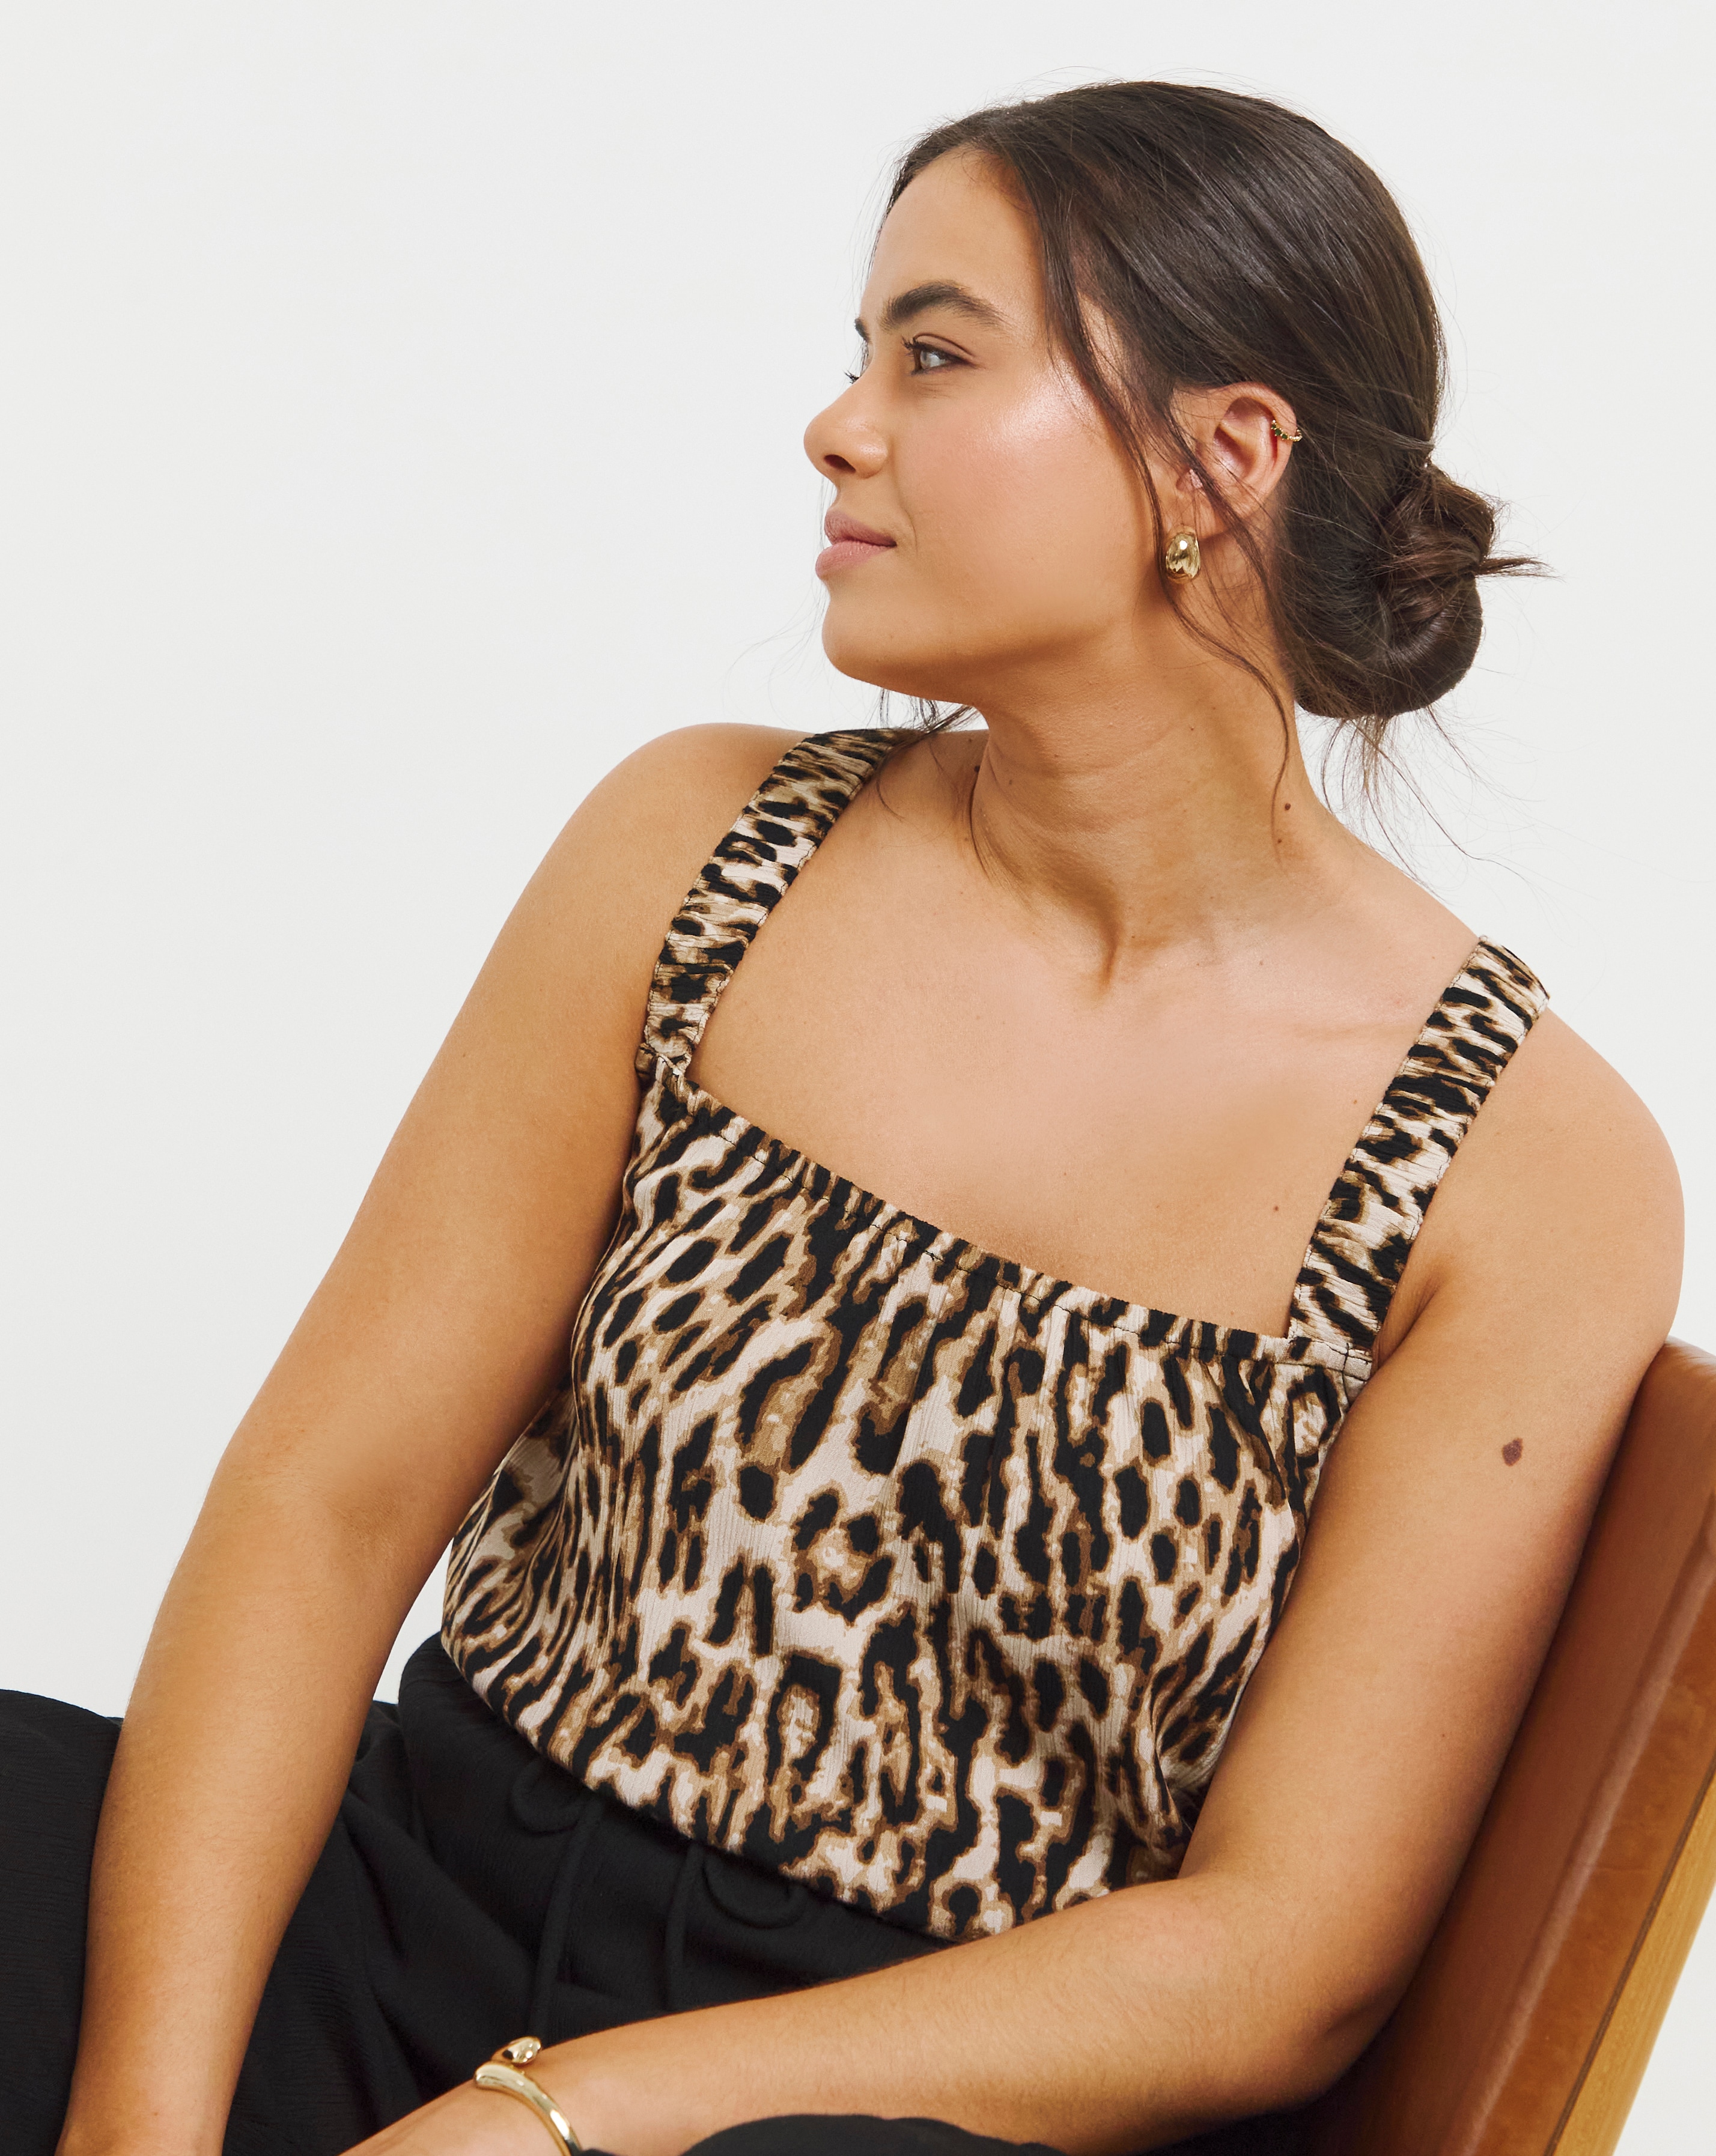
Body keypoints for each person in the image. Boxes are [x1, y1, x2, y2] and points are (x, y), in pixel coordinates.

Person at [1, 78, 1681, 2156]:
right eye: (861, 350)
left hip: (892, 2102)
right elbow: (324, 1504)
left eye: (936, 356)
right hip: (414, 1903)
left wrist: (557, 2118)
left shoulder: (1528, 1169)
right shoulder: (698, 845)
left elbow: (1279, 1961)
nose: (838, 424)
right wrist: (142, 2125)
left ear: (1223, 458)